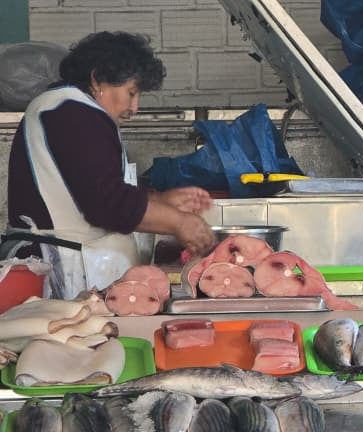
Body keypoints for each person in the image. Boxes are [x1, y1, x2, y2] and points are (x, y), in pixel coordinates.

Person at [5, 31, 215, 297]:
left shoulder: (68, 110)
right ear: (97, 79)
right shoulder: (75, 114)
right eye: (131, 93)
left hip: (72, 269)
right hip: (60, 277)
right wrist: (179, 222)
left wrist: (162, 201)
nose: (135, 107)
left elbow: (98, 189)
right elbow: (108, 205)